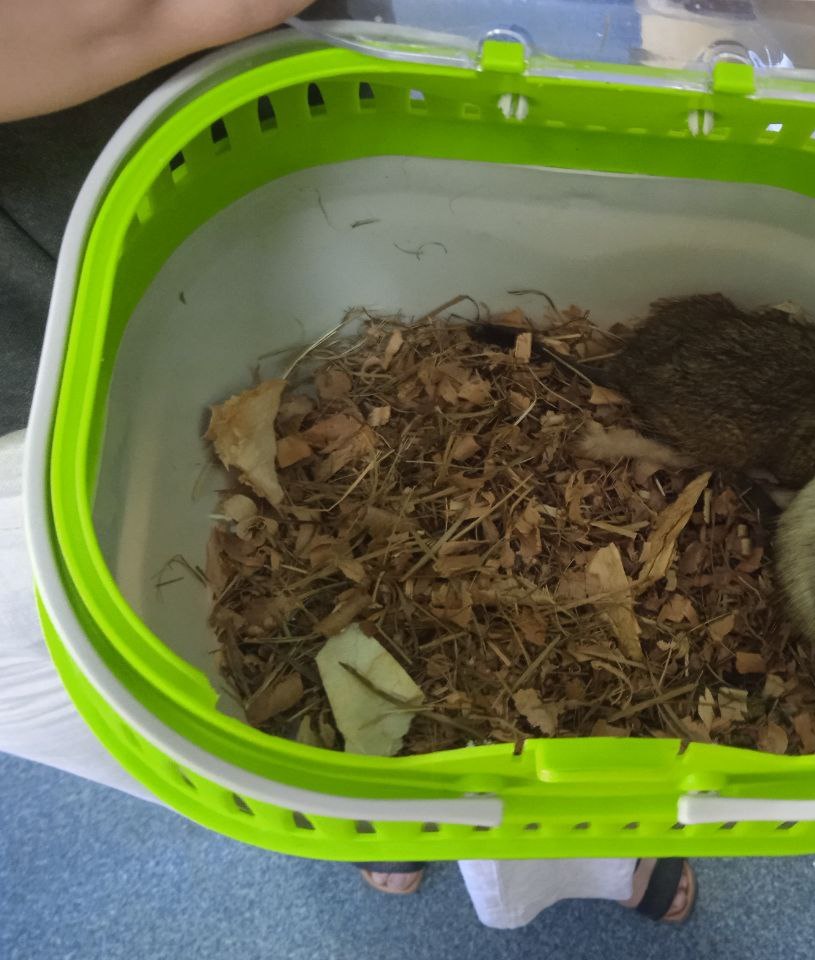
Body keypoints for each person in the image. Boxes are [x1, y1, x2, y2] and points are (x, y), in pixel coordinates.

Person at [0, 1, 694, 926]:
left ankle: (576, 851)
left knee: (550, 784)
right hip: (46, 369)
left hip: (204, 154)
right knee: (162, 704)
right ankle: (380, 816)